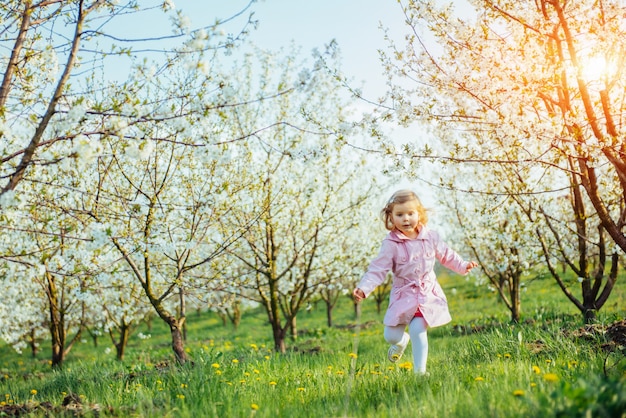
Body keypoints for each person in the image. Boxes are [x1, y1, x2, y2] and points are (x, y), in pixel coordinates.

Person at [353, 189, 478, 375]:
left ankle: (420, 373)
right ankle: (402, 342)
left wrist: (462, 265)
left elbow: (446, 255)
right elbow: (378, 269)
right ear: (391, 217)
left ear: (419, 213)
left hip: (426, 292)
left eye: (411, 213)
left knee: (418, 330)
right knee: (391, 336)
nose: (406, 219)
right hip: (403, 293)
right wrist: (364, 288)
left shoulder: (431, 236)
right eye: (400, 214)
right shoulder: (391, 244)